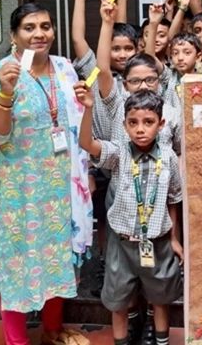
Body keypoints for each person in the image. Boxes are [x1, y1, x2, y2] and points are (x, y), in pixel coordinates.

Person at [0, 3, 92, 345]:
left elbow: (76, 126)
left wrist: (84, 174)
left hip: (61, 185)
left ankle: (52, 331)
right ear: (14, 35)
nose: (39, 34)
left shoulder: (65, 69)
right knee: (16, 263)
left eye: (45, 26)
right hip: (18, 190)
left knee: (57, 257)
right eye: (29, 27)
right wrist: (6, 93)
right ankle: (17, 340)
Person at [76, 88, 183, 345]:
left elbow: (173, 199)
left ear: (161, 124)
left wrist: (174, 239)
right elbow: (87, 144)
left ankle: (161, 341)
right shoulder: (119, 154)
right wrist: (88, 108)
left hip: (157, 242)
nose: (140, 129)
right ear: (124, 125)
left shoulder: (168, 158)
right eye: (133, 123)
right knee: (118, 302)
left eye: (148, 122)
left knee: (160, 299)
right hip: (122, 244)